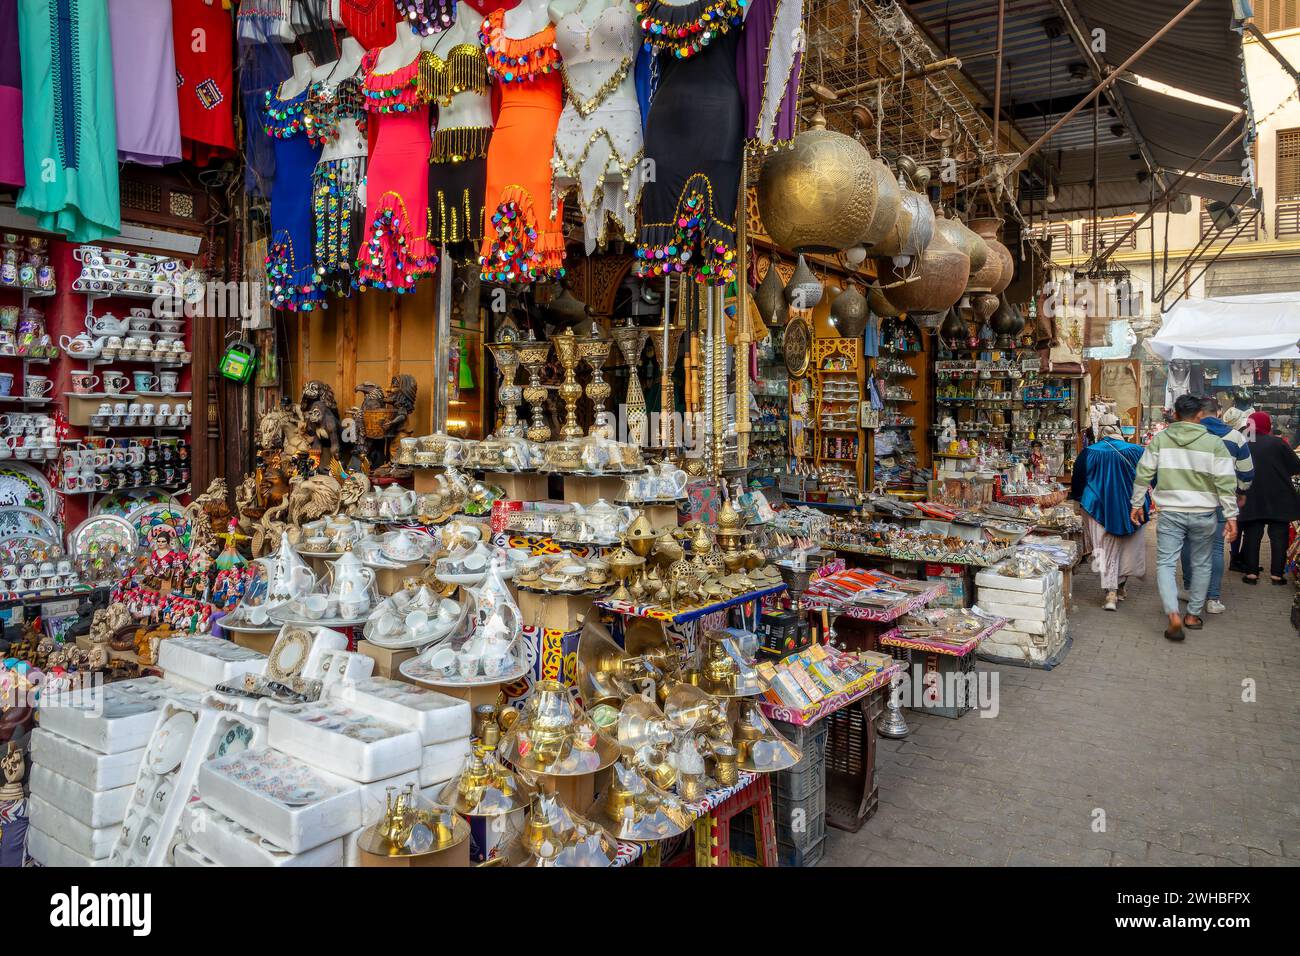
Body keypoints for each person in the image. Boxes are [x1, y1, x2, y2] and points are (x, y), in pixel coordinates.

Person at [1130, 394, 1239, 642]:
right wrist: (1231, 515)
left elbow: (1143, 473)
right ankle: (1192, 615)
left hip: (1170, 514)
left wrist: (1136, 504)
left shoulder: (1160, 440)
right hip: (1205, 514)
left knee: (1166, 564)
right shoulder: (1214, 443)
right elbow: (1225, 482)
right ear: (1200, 415)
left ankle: (1173, 615)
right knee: (1202, 563)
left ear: (1176, 415)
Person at [1179, 398, 1254, 613]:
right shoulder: (1235, 437)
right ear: (1218, 413)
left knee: (1188, 543)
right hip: (1222, 499)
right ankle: (1213, 598)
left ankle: (1190, 588)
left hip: (1191, 498)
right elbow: (1247, 472)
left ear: (1198, 414)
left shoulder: (1189, 435)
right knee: (1216, 548)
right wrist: (1241, 491)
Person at [1071, 414, 1147, 611]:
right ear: (1119, 428)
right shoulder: (1137, 450)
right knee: (1128, 548)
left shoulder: (1088, 452)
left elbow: (1077, 482)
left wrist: (1078, 501)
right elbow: (1151, 478)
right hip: (1132, 508)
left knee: (1101, 549)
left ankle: (1110, 593)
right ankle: (1120, 587)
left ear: (1100, 429)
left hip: (1096, 508)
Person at [1238, 411, 1300, 585]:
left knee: (1252, 534)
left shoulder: (1244, 444)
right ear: (1268, 425)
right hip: (1279, 496)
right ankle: (1276, 575)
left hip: (1252, 495)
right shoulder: (1278, 443)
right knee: (1278, 536)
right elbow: (1296, 467)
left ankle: (1251, 574)